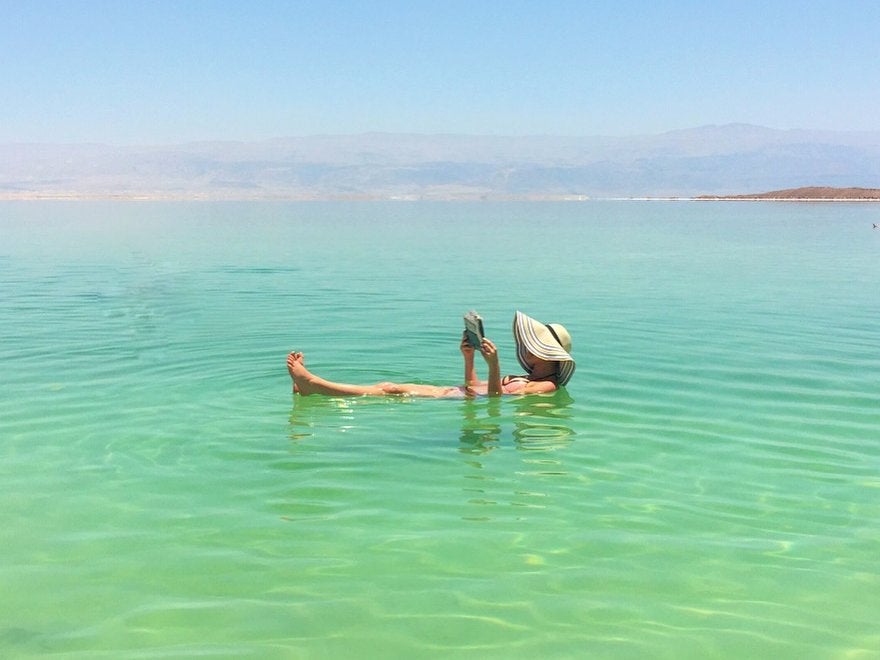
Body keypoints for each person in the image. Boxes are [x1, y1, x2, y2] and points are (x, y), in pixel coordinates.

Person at [286, 311, 575, 398]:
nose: (524, 348)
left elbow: (495, 403)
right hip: (457, 392)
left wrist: (495, 364)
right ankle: (309, 388)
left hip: (452, 398)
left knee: (391, 389)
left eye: (531, 346)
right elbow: (477, 390)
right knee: (388, 385)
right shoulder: (523, 377)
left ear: (548, 355)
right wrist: (470, 359)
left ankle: (316, 385)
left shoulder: (547, 385)